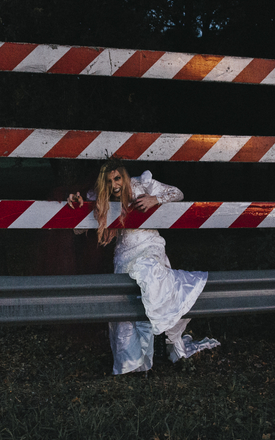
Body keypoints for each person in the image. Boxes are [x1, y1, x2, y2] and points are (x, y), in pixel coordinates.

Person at [68, 160, 220, 375]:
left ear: (124, 176)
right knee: (126, 306)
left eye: (118, 178)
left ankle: (161, 336)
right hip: (123, 252)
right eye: (109, 181)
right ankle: (133, 364)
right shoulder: (100, 195)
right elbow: (76, 230)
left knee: (149, 274)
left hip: (150, 245)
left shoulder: (142, 183)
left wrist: (155, 199)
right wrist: (77, 204)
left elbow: (177, 193)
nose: (115, 184)